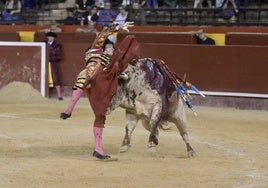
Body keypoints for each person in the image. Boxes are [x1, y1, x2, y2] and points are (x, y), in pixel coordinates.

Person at [60, 22, 140, 160]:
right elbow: (103, 34)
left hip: (100, 85)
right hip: (92, 77)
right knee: (84, 77)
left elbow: (119, 73)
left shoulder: (111, 62)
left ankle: (98, 149)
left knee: (100, 115)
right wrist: (118, 27)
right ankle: (69, 110)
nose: (111, 49)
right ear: (102, 48)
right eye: (108, 47)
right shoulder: (96, 49)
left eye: (111, 47)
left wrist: (121, 74)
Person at [45, 32, 64, 100]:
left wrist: (50, 59)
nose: (50, 38)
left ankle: (59, 95)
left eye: (51, 37)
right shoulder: (44, 43)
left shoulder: (57, 45)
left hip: (53, 63)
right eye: (49, 36)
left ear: (54, 38)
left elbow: (59, 56)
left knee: (56, 78)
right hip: (44, 63)